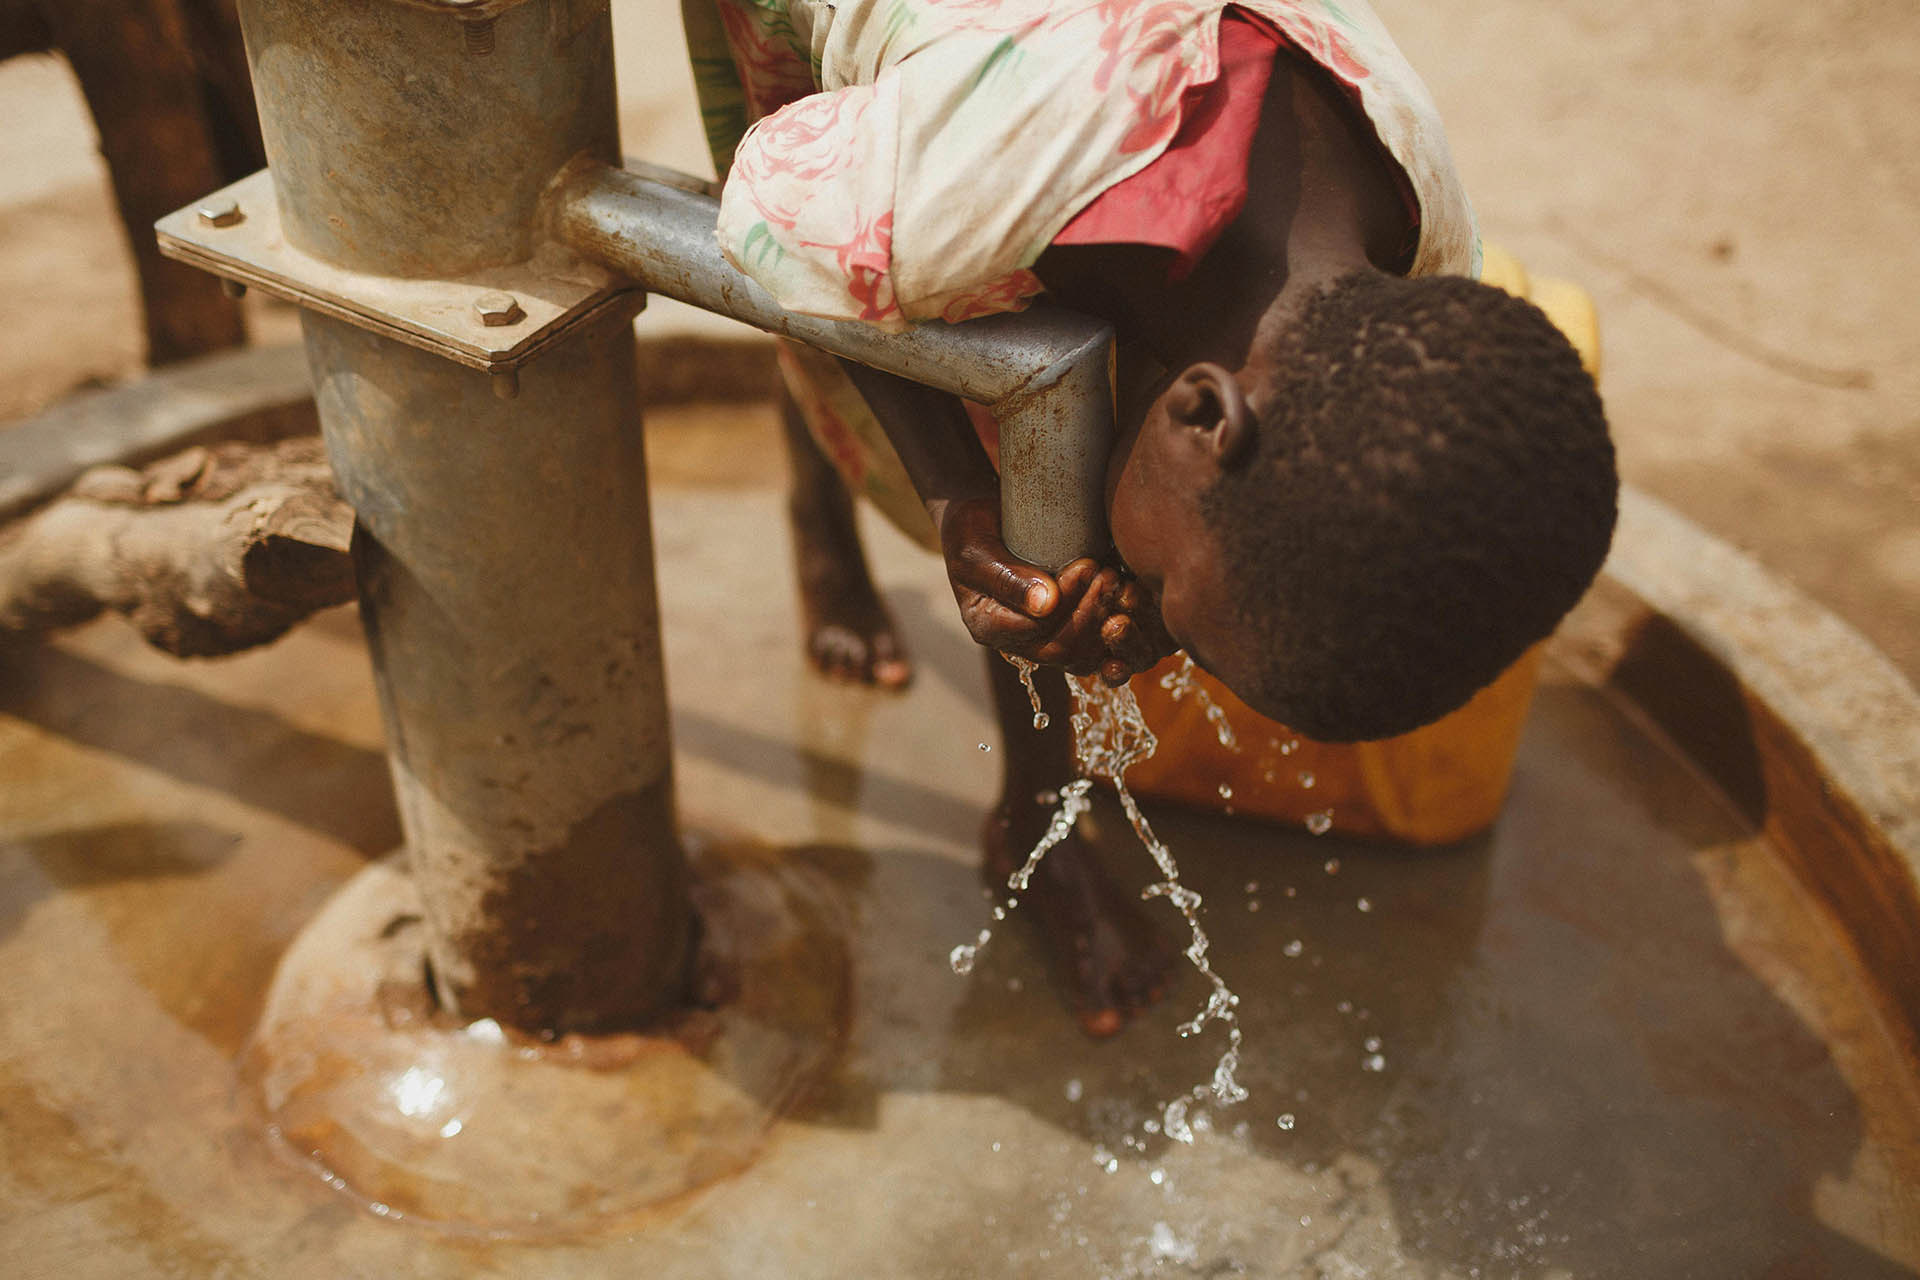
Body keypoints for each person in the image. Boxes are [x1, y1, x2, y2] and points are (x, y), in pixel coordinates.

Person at [682, 0, 1616, 1034]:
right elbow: (775, 220)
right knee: (868, 304)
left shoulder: (1419, 231)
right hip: (921, 85)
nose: (1146, 634)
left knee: (1036, 432)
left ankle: (1034, 820)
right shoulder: (978, 189)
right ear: (1202, 415)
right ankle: (822, 520)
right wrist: (958, 495)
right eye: (1177, 607)